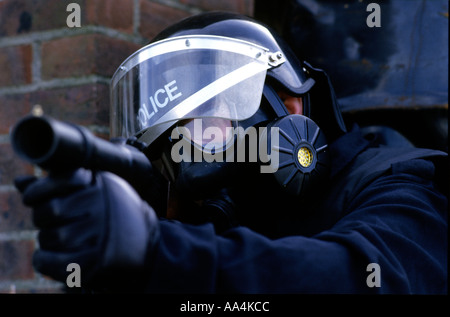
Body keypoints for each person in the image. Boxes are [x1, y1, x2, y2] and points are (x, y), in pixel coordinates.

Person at [15, 12, 447, 294]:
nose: (187, 156)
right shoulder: (218, 230)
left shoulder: (407, 184)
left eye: (206, 123)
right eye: (170, 142)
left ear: (289, 107)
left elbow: (361, 278)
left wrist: (158, 252)